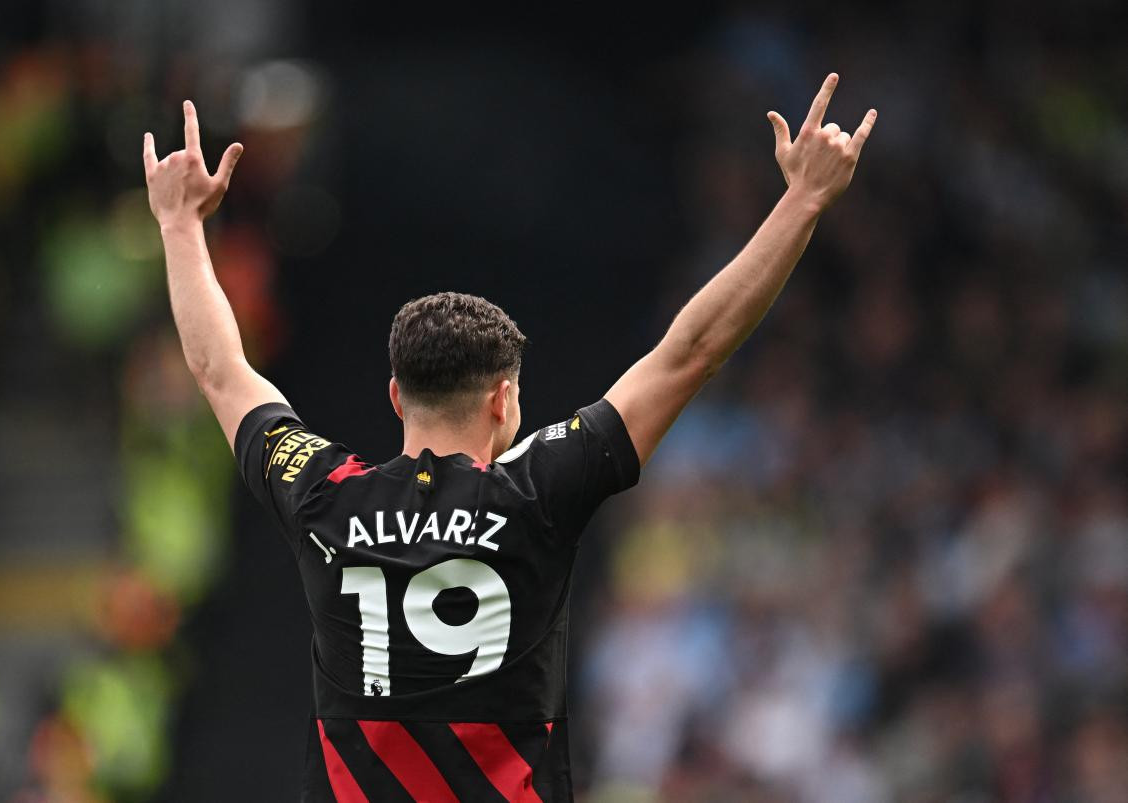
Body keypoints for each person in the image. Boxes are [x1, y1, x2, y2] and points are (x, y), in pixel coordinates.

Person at [143, 73, 874, 802]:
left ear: (396, 395)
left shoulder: (323, 494)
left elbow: (219, 369)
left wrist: (180, 224)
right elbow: (691, 351)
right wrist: (803, 200)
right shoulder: (540, 490)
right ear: (505, 399)